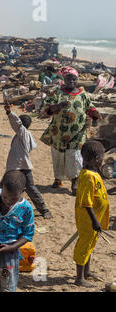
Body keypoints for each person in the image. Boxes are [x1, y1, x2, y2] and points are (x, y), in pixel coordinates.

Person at [40, 67, 101, 195]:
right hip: (58, 133)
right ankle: (58, 179)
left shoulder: (83, 94)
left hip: (77, 134)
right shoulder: (57, 92)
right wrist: (59, 105)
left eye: (74, 79)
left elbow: (90, 107)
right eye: (69, 78)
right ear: (64, 79)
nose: (72, 81)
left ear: (77, 79)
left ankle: (75, 182)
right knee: (58, 156)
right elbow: (47, 109)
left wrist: (95, 115)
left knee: (74, 157)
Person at [2, 102, 53, 219]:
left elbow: (17, 123)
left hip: (18, 167)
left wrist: (9, 112)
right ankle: (44, 210)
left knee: (8, 187)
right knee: (29, 188)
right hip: (21, 165)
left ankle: (44, 209)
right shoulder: (26, 135)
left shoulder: (22, 132)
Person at [73, 140, 109, 287]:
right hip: (88, 219)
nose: (103, 161)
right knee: (84, 245)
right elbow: (86, 202)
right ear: (96, 160)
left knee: (89, 245)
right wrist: (94, 220)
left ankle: (86, 272)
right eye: (102, 158)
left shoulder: (92, 172)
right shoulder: (88, 176)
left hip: (94, 217)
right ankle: (79, 278)